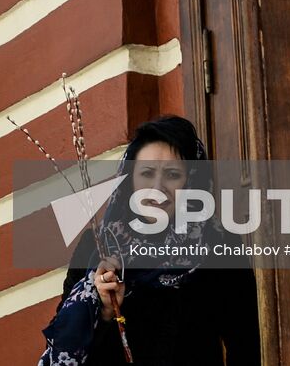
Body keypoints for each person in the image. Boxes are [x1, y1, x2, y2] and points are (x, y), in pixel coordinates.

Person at [36, 115, 261, 364]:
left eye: (173, 175)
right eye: (146, 173)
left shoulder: (219, 245)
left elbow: (247, 344)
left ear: (192, 181)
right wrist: (104, 310)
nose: (157, 187)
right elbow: (66, 342)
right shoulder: (99, 244)